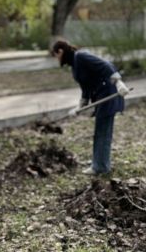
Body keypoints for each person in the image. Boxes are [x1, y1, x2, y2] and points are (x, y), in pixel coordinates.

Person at [51, 39, 129, 175]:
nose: (57, 59)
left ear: (60, 51)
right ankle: (99, 162)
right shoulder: (75, 65)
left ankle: (101, 167)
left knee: (103, 132)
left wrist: (119, 83)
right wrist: (79, 106)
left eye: (56, 55)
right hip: (100, 97)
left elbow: (105, 66)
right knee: (100, 131)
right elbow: (86, 87)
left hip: (108, 94)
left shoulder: (80, 56)